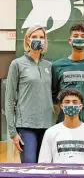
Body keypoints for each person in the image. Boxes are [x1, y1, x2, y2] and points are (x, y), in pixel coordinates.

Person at [5, 25, 55, 163]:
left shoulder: (49, 66)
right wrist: (13, 132)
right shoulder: (17, 64)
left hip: (47, 125)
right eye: (34, 37)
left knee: (46, 168)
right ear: (27, 40)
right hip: (26, 125)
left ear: (45, 41)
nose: (38, 40)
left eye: (41, 37)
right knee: (29, 167)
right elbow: (9, 99)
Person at [52, 22, 84, 133]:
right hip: (64, 123)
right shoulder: (57, 66)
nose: (79, 39)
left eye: (83, 36)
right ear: (70, 41)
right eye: (75, 36)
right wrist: (69, 106)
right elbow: (53, 94)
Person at [38, 89, 84, 164]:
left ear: (81, 106)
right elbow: (43, 164)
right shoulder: (50, 133)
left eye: (75, 102)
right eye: (67, 102)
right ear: (62, 106)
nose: (71, 104)